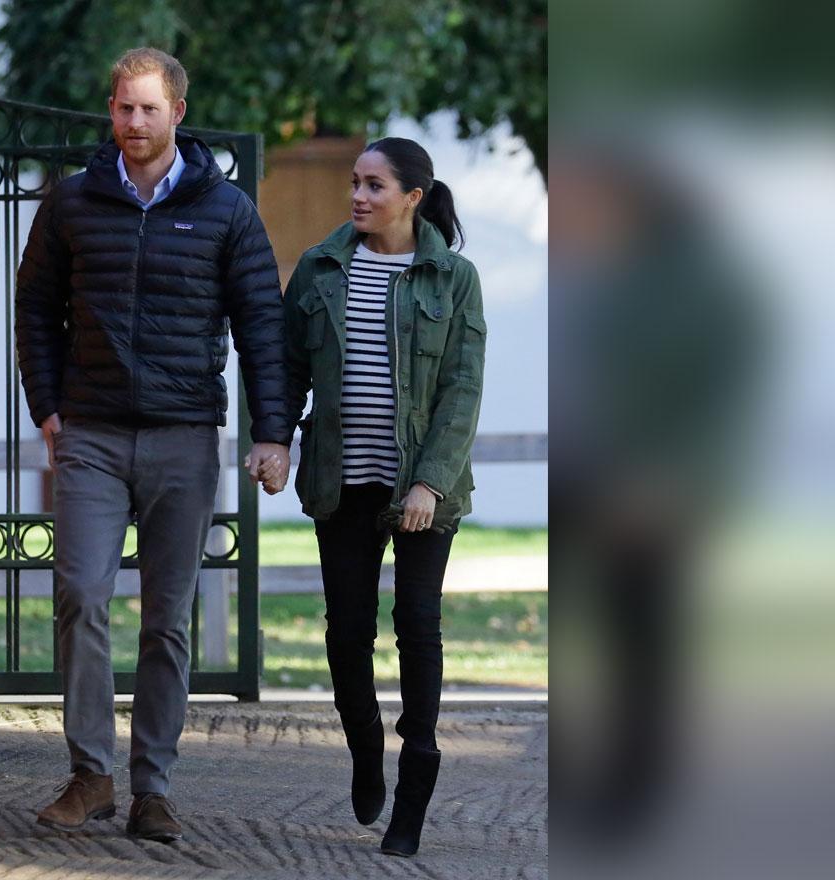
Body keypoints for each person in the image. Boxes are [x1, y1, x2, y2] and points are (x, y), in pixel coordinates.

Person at [14, 47, 291, 844]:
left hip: (182, 438)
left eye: (148, 109)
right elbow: (34, 308)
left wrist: (272, 431)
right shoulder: (71, 204)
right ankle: (90, 775)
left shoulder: (226, 209)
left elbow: (261, 325)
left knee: (167, 620)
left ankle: (153, 789)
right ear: (111, 113)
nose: (134, 123)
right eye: (122, 108)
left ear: (177, 112)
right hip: (92, 435)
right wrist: (48, 407)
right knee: (81, 597)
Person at [273, 137, 486, 857]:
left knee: (418, 626)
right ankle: (364, 742)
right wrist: (272, 437)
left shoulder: (453, 278)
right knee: (346, 631)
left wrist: (428, 480)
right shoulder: (321, 269)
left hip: (424, 486)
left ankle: (415, 779)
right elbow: (287, 366)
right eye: (354, 184)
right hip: (343, 482)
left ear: (413, 197)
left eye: (373, 185)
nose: (357, 196)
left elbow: (462, 388)